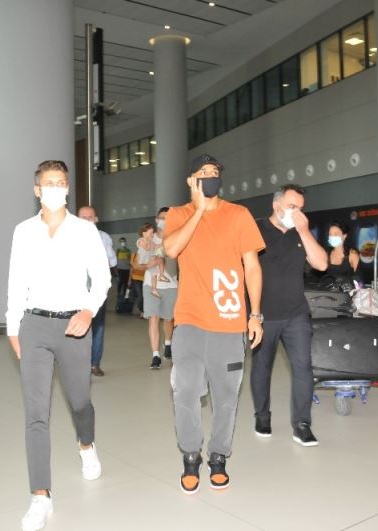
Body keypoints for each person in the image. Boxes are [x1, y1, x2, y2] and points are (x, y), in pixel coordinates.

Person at [6, 160, 110, 531]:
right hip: (34, 325)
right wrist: (12, 327)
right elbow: (16, 280)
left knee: (79, 401)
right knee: (36, 413)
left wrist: (88, 310)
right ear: (37, 190)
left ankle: (86, 444)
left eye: (61, 182)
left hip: (73, 326)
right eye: (48, 183)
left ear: (67, 187)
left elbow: (102, 277)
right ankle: (40, 496)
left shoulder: (84, 230)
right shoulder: (23, 231)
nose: (55, 188)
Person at [163, 153, 265, 495]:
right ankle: (191, 455)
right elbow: (171, 250)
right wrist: (199, 210)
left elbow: (252, 267)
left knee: (226, 397)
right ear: (191, 180)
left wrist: (255, 314)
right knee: (185, 392)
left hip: (230, 322)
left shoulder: (239, 215)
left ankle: (219, 456)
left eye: (215, 171)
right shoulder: (178, 214)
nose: (211, 176)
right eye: (203, 172)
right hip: (190, 321)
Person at [251, 184, 328, 446]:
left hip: (296, 313)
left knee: (303, 367)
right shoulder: (256, 229)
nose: (297, 212)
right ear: (276, 206)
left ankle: (302, 424)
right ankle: (262, 416)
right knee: (262, 367)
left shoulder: (300, 233)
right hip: (264, 314)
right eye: (292, 206)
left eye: (300, 208)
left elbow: (321, 263)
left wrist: (304, 231)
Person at [77, 205, 118, 377]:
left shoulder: (104, 237)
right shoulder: (68, 237)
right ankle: (77, 364)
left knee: (98, 327)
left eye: (90, 217)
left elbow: (113, 262)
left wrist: (100, 259)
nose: (87, 220)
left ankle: (94, 364)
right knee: (76, 326)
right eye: (83, 217)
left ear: (96, 219)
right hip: (75, 291)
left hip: (96, 290)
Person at [140, 207, 178, 370]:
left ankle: (168, 343)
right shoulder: (149, 238)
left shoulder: (176, 237)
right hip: (151, 284)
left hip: (171, 284)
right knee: (153, 318)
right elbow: (138, 263)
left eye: (167, 218)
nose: (163, 220)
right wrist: (147, 265)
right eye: (161, 217)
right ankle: (155, 355)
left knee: (169, 319)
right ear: (156, 219)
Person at [323, 221, 360, 286]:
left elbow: (359, 280)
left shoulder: (352, 254)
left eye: (336, 234)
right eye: (330, 234)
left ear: (344, 236)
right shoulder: (326, 254)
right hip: (326, 291)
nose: (332, 237)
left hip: (347, 291)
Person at [129, 228, 148, 316]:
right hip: (136, 278)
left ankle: (145, 310)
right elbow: (131, 268)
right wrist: (129, 280)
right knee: (140, 296)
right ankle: (142, 311)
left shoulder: (148, 255)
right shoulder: (134, 255)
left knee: (146, 296)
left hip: (146, 279)